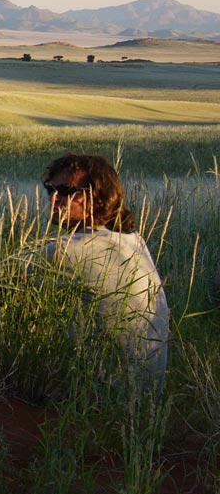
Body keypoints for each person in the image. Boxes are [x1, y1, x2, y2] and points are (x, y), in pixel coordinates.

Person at [37, 154, 169, 386]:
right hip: (149, 396)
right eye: (50, 189)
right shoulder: (134, 241)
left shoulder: (69, 251)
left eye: (66, 191)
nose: (53, 198)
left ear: (98, 198)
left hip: (103, 403)